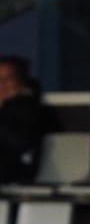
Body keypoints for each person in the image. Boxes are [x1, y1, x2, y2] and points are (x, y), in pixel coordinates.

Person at [0, 58, 49, 187]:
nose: (2, 84)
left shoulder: (29, 108)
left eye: (8, 79)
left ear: (21, 83)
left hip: (16, 171)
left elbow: (22, 143)